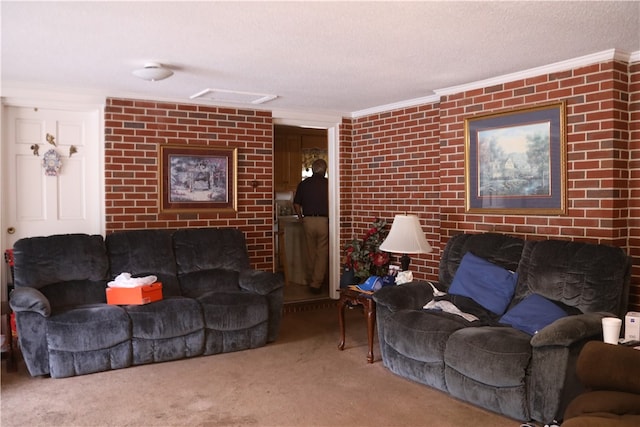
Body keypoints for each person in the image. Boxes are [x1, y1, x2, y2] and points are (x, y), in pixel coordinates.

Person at [293, 159, 329, 294]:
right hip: (324, 221)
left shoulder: (304, 184)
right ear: (324, 170)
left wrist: (301, 217)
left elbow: (296, 204)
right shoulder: (329, 184)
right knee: (322, 253)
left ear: (313, 169)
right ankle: (316, 283)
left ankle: (310, 279)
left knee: (310, 252)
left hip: (308, 220)